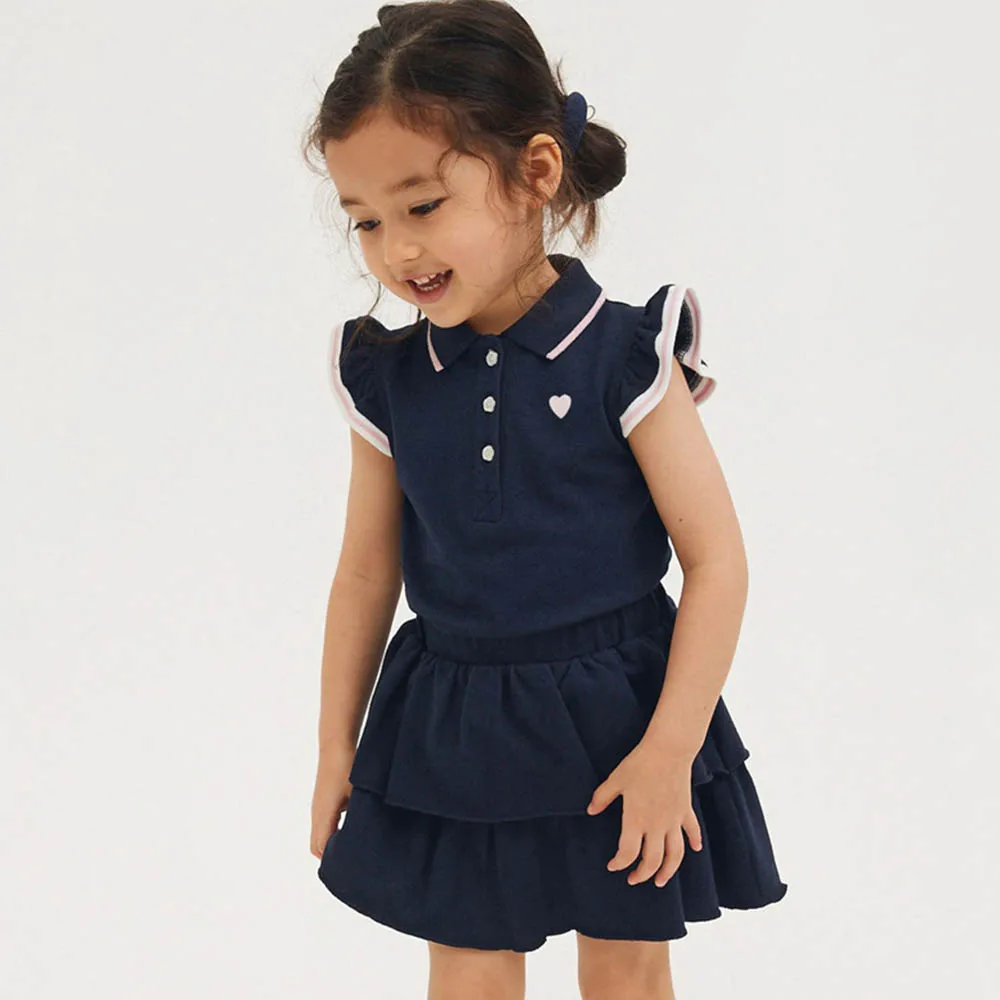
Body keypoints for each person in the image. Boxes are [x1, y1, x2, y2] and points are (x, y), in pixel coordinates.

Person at [303, 1, 788, 995]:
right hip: (454, 728)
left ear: (534, 172)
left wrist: (669, 749)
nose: (396, 251)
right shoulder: (388, 377)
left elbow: (717, 562)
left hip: (621, 718)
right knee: (469, 973)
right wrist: (333, 745)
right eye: (367, 221)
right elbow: (364, 573)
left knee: (624, 969)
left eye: (422, 206)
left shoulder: (625, 356)